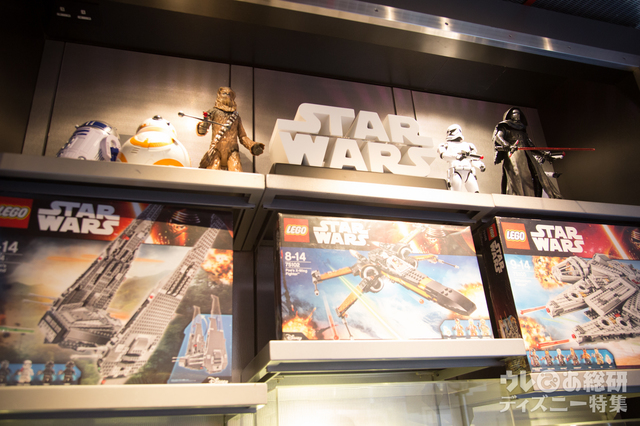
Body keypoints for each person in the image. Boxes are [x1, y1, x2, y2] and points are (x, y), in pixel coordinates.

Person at [493, 107, 562, 198]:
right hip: (514, 154)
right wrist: (506, 144)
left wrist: (543, 153)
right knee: (516, 175)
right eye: (515, 113)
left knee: (537, 174)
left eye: (518, 113)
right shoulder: (505, 126)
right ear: (510, 115)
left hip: (526, 154)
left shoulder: (522, 129)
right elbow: (498, 137)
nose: (517, 115)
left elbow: (530, 145)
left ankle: (536, 197)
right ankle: (519, 196)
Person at [197, 87, 264, 172]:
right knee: (213, 174)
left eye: (229, 94)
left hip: (233, 151)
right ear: (219, 95)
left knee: (236, 173)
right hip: (216, 150)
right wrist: (202, 128)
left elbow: (242, 136)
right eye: (224, 93)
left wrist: (252, 145)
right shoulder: (213, 111)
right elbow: (204, 126)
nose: (227, 95)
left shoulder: (236, 117)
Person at [438, 124, 485, 192]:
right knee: (456, 193)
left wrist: (480, 165)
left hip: (469, 172)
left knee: (475, 193)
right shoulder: (446, 145)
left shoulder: (468, 145)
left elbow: (473, 159)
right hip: (456, 172)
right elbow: (444, 156)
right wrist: (457, 157)